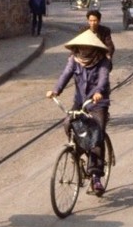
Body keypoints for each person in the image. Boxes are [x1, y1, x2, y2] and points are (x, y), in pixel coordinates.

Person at [47, 30, 113, 196]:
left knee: (96, 135)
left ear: (93, 47)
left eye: (87, 47)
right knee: (68, 123)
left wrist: (98, 92)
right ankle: (77, 152)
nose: (83, 50)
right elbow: (65, 75)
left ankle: (96, 175)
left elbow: (103, 80)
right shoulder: (74, 60)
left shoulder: (103, 61)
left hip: (98, 102)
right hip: (80, 101)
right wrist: (56, 90)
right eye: (81, 47)